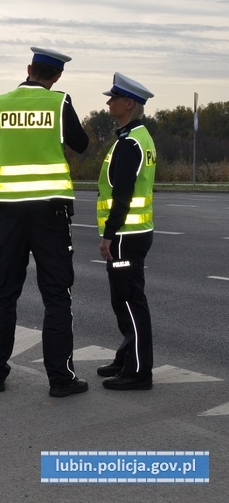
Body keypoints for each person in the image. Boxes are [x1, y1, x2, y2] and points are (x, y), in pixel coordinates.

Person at [0, 47, 90, 398]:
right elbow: (81, 143)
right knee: (57, 296)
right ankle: (60, 378)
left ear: (28, 69)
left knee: (4, 295)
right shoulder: (59, 103)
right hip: (50, 213)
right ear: (57, 76)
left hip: (10, 214)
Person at [96, 73, 156, 390]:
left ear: (128, 103)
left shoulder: (130, 143)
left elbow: (122, 196)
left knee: (130, 301)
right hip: (134, 234)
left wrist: (109, 235)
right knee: (125, 298)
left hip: (125, 237)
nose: (108, 102)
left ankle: (138, 372)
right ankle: (126, 357)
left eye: (113, 98)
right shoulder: (137, 137)